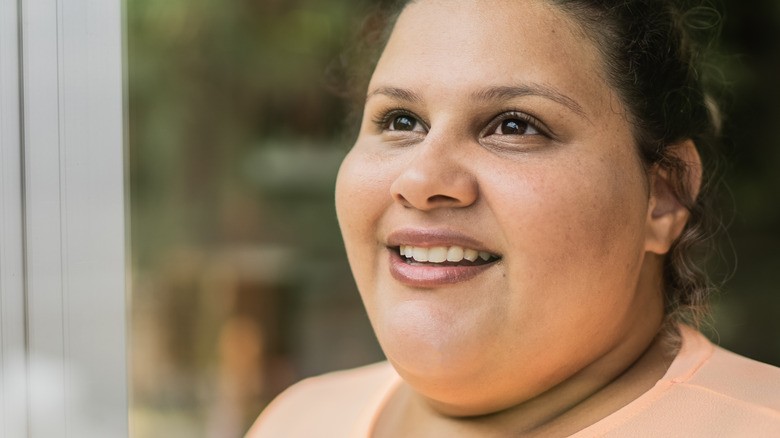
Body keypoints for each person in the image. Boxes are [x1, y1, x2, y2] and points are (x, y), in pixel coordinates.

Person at [246, 0, 780, 436]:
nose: (422, 180)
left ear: (665, 195)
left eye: (514, 126)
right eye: (401, 120)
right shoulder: (300, 420)